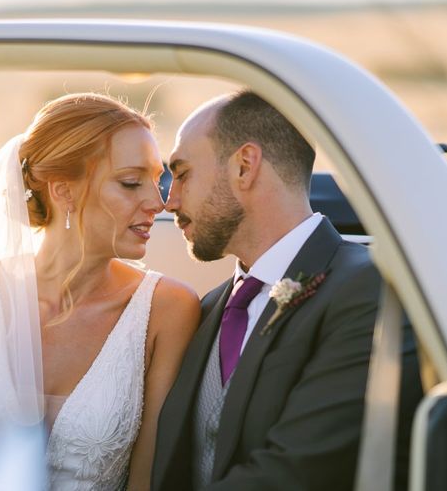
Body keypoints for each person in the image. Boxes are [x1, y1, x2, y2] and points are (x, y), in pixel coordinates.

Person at [0, 93, 201, 490]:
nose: (157, 203)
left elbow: (149, 480)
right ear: (63, 191)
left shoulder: (166, 309)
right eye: (130, 182)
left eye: (158, 181)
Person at [152, 91, 423, 490]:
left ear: (244, 167)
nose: (169, 201)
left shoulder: (369, 290)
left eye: (183, 173)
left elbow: (299, 474)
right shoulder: (209, 308)